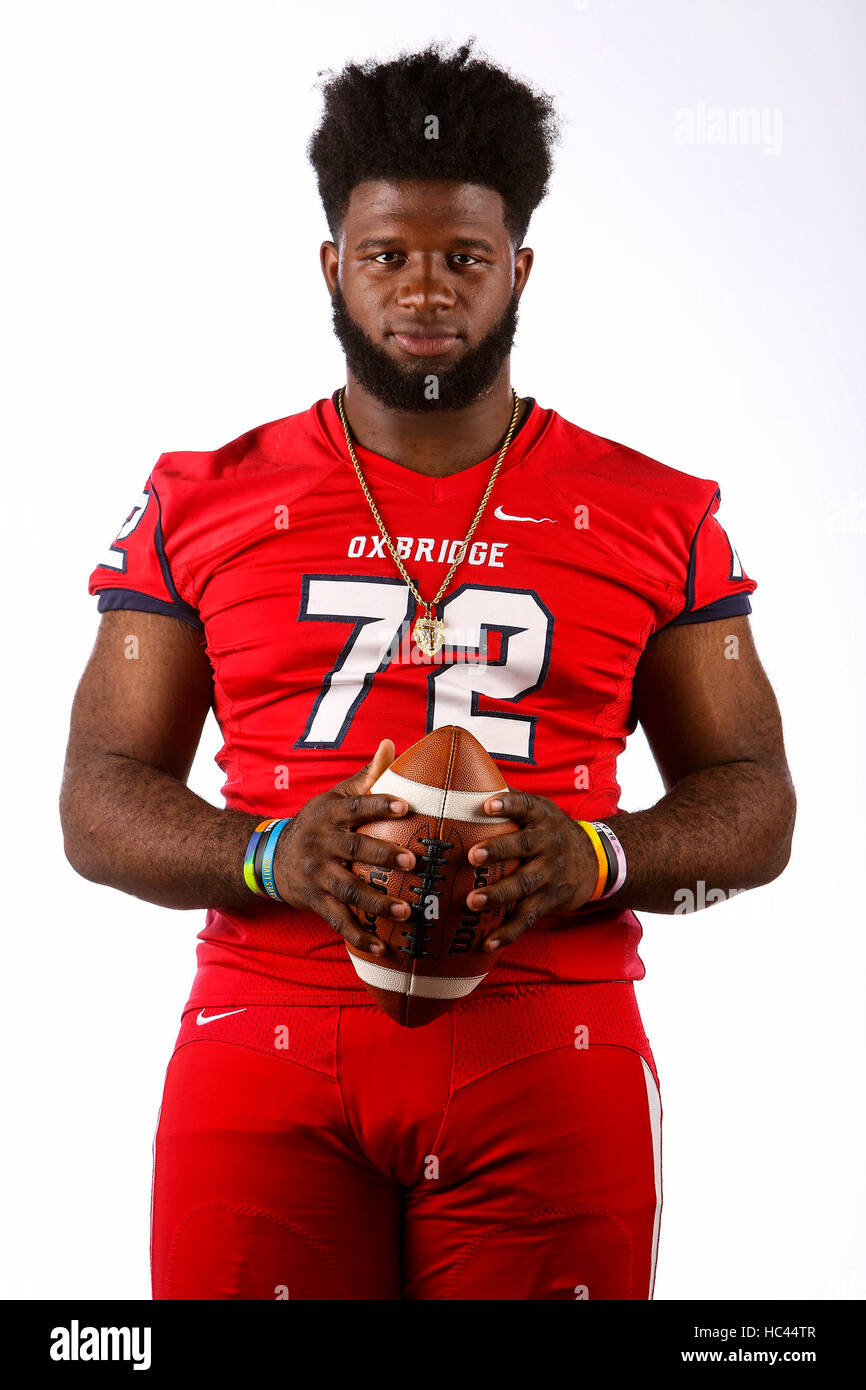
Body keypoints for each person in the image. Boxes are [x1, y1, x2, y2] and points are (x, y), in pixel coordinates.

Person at [60, 41, 795, 1300]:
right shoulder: (203, 497)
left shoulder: (655, 510)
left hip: (547, 1040)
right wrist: (273, 853)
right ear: (331, 267)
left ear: (517, 268)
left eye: (462, 257)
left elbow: (754, 801)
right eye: (386, 254)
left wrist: (597, 856)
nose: (424, 291)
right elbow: (97, 795)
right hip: (263, 1039)